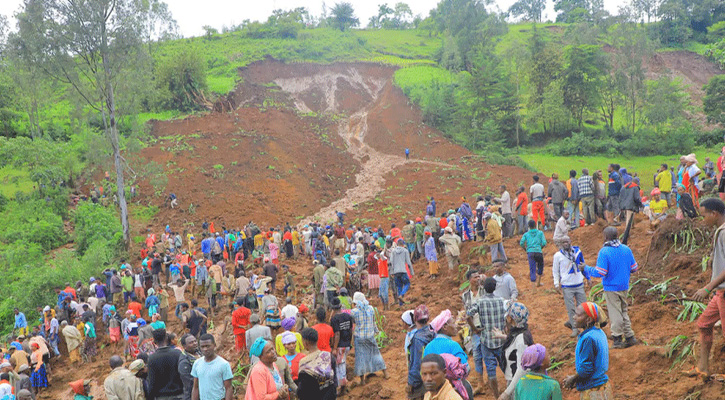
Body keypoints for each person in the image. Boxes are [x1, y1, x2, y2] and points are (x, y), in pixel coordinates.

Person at [686, 198, 725, 381]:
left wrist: (707, 288)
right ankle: (703, 368)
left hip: (723, 292)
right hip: (720, 293)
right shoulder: (720, 232)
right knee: (703, 324)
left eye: (704, 216)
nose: (703, 220)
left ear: (714, 214)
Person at [583, 227, 638, 349]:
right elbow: (634, 268)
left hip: (611, 287)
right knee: (624, 310)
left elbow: (601, 272)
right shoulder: (626, 249)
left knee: (615, 312)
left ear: (605, 237)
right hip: (624, 285)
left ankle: (617, 338)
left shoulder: (605, 251)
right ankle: (629, 336)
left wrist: (586, 268)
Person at [466, 277, 506, 399]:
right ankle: (511, 391)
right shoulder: (501, 300)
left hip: (486, 340)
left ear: (484, 288)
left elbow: (468, 315)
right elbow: (508, 314)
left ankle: (496, 396)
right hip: (500, 339)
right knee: (505, 367)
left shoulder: (480, 302)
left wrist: (475, 329)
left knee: (491, 370)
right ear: (495, 288)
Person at [563, 303, 613, 399]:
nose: (574, 317)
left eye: (578, 315)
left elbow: (586, 369)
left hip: (592, 389)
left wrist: (573, 379)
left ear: (588, 320)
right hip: (602, 386)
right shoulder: (599, 332)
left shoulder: (588, 338)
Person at [553, 237, 591, 337]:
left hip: (579, 284)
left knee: (583, 307)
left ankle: (585, 327)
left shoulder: (577, 252)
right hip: (567, 286)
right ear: (560, 244)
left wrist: (588, 278)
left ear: (570, 242)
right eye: (563, 242)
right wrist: (556, 284)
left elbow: (583, 265)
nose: (565, 244)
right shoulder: (558, 256)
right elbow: (555, 271)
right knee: (571, 308)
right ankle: (575, 328)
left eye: (567, 242)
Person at [350, 292, 388, 385]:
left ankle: (362, 380)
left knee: (361, 358)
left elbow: (353, 323)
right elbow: (373, 321)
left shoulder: (354, 312)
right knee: (376, 354)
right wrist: (376, 331)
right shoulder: (370, 309)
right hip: (370, 335)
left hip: (360, 337)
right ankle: (385, 373)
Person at [296, 328, 335, 400]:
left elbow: (303, 390)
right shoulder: (329, 356)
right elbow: (334, 380)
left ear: (305, 343)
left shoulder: (304, 363)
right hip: (330, 396)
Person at [191, 334, 233, 400]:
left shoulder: (223, 364)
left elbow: (229, 388)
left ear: (214, 345)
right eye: (202, 347)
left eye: (208, 346)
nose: (205, 349)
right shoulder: (197, 363)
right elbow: (195, 387)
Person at [147, 329, 184, 399]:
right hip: (179, 395)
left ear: (154, 341)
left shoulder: (152, 358)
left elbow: (152, 382)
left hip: (162, 396)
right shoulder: (177, 353)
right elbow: (183, 375)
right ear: (167, 338)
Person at [329, 297, 354, 395]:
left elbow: (337, 334)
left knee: (340, 366)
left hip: (340, 346)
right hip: (347, 344)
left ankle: (342, 387)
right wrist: (350, 343)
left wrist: (334, 348)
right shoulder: (348, 316)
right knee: (342, 362)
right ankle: (343, 386)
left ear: (333, 308)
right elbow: (351, 330)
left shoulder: (335, 319)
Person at [520, 220, 546, 288]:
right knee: (540, 266)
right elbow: (544, 243)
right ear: (535, 225)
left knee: (532, 268)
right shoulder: (540, 233)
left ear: (529, 226)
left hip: (530, 252)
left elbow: (521, 243)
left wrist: (525, 249)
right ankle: (539, 282)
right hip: (538, 251)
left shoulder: (526, 234)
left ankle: (533, 288)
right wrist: (540, 248)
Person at [390, 239, 414, 306]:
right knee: (407, 283)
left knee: (399, 286)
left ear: (397, 244)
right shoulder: (405, 251)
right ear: (403, 244)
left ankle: (401, 305)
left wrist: (392, 271)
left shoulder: (393, 251)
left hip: (396, 272)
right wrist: (412, 272)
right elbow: (409, 263)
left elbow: (391, 262)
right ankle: (402, 295)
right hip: (403, 270)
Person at [619, 177, 642, 245]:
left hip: (624, 205)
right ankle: (626, 234)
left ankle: (632, 228)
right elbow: (637, 198)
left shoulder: (623, 187)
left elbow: (620, 197)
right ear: (637, 183)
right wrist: (640, 205)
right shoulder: (635, 188)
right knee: (628, 220)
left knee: (629, 218)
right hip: (631, 205)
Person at [179, 334, 200, 400]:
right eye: (191, 342)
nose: (194, 343)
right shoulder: (184, 362)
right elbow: (189, 383)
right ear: (184, 346)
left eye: (195, 341)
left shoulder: (200, 353)